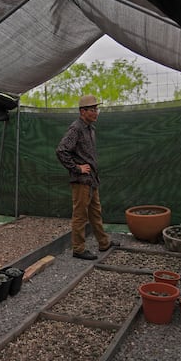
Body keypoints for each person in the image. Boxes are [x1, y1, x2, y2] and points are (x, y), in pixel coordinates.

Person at [56, 94, 119, 260]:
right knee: (80, 215)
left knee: (96, 213)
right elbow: (62, 150)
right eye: (92, 110)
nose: (96, 112)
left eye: (97, 109)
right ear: (83, 111)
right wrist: (76, 168)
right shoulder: (76, 128)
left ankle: (103, 242)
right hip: (81, 182)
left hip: (91, 180)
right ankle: (78, 249)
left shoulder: (89, 128)